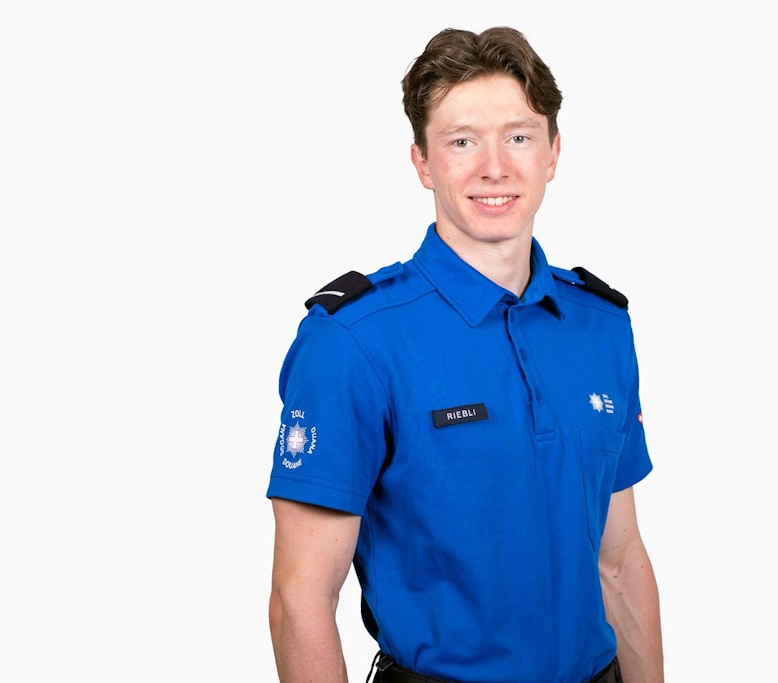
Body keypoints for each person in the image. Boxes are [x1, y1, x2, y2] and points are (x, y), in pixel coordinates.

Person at [267, 26, 664, 683]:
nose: (494, 167)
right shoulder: (353, 341)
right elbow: (300, 599)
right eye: (461, 141)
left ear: (553, 152)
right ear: (423, 163)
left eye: (519, 137)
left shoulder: (601, 327)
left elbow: (618, 561)